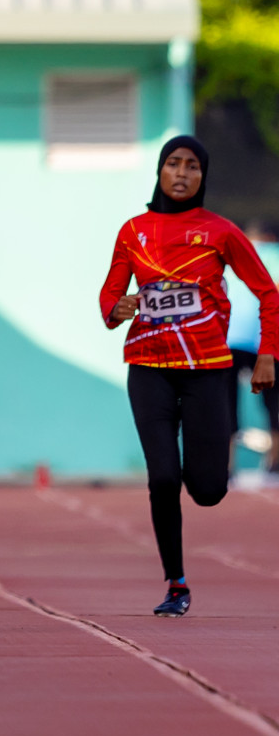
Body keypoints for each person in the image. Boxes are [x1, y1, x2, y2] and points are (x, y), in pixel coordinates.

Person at [99, 135, 278, 617]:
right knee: (162, 477)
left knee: (208, 489)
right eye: (173, 164)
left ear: (203, 177)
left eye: (192, 166)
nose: (181, 173)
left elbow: (268, 292)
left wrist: (268, 355)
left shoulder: (220, 231)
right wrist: (118, 307)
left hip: (207, 371)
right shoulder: (134, 230)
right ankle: (176, 583)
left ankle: (204, 485)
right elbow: (110, 302)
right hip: (148, 367)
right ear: (159, 172)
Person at [226, 222, 279, 475]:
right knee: (274, 401)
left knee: (225, 400)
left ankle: (226, 465)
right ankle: (275, 463)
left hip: (230, 336)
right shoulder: (274, 254)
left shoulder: (228, 256)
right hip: (268, 340)